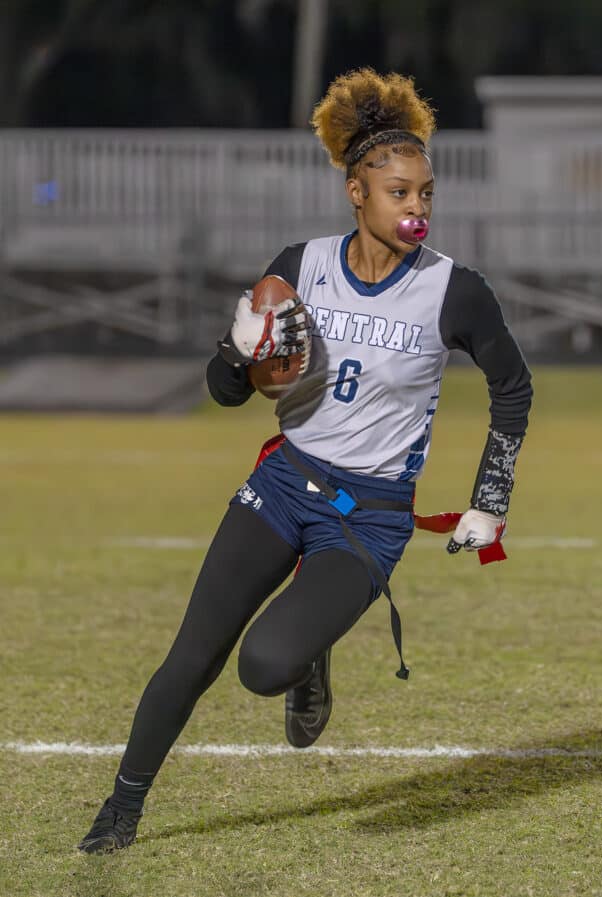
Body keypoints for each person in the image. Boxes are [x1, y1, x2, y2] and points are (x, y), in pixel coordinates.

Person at [78, 67, 532, 854]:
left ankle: (309, 653)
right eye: (399, 193)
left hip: (369, 517)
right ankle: (120, 809)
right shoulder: (303, 264)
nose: (417, 208)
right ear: (357, 191)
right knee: (194, 652)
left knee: (264, 665)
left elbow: (514, 391)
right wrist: (239, 350)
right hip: (283, 484)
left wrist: (489, 500)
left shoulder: (454, 292)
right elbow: (226, 390)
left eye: (426, 193)